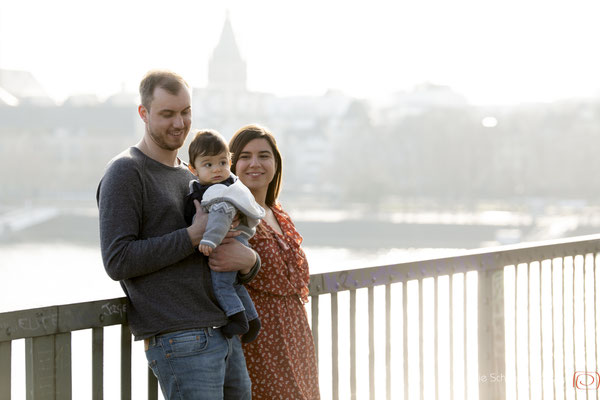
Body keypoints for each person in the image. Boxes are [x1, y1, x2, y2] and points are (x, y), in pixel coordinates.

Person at [96, 70, 259, 400]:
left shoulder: (193, 174)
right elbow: (118, 260)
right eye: (167, 113)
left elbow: (220, 252)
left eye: (185, 112)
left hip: (224, 331)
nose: (179, 123)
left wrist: (249, 263)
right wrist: (191, 235)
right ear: (143, 113)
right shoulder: (125, 171)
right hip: (181, 339)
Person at [229, 124, 321, 399]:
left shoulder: (277, 213)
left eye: (264, 155)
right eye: (244, 156)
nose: (254, 163)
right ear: (231, 163)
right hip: (260, 341)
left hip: (296, 337)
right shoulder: (230, 214)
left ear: (276, 164)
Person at [183, 129, 264, 343]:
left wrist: (208, 241)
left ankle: (237, 319)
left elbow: (220, 218)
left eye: (222, 163)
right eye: (208, 165)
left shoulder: (219, 191)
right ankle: (252, 318)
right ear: (193, 169)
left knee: (222, 285)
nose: (217, 170)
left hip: (224, 242)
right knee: (234, 284)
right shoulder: (208, 188)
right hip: (230, 242)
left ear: (230, 161)